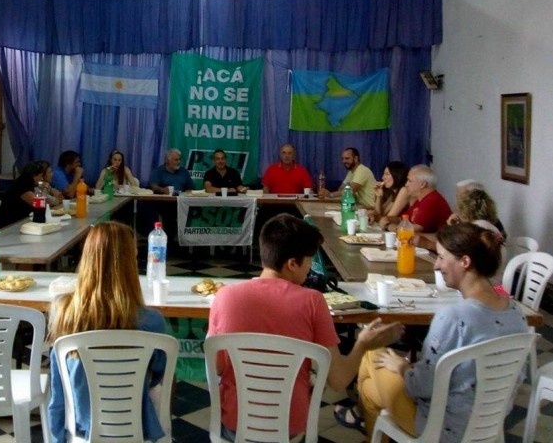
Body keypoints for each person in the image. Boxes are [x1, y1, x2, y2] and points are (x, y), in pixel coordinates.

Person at [208, 214, 403, 440]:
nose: (310, 269)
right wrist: (363, 344)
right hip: (289, 428)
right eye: (309, 261)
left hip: (234, 425)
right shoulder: (312, 302)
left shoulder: (225, 296)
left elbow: (217, 367)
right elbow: (338, 380)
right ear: (292, 264)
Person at [356, 223, 528, 441]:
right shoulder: (517, 313)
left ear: (465, 262)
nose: (436, 265)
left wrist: (403, 367)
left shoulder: (453, 317)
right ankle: (362, 410)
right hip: (489, 422)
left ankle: (361, 413)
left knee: (371, 353)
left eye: (441, 257)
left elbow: (420, 387)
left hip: (441, 427)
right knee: (370, 389)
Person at [47, 221, 168, 443]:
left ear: (87, 259)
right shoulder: (152, 322)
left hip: (82, 426)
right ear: (130, 264)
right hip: (135, 424)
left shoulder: (64, 313)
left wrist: (57, 438)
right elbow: (161, 372)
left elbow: (58, 388)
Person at [384, 165, 452, 249]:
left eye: (409, 181)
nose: (406, 184)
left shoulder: (432, 200)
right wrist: (387, 219)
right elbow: (403, 220)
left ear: (422, 184)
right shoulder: (421, 199)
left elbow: (408, 232)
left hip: (436, 252)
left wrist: (388, 225)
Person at [0, 160, 48, 227]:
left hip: (20, 220)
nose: (42, 179)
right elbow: (40, 204)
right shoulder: (22, 186)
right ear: (34, 176)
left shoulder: (26, 183)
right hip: (10, 224)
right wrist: (44, 189)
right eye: (40, 176)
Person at [369, 161, 410, 228]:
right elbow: (379, 213)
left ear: (397, 175)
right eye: (384, 174)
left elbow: (387, 218)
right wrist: (379, 197)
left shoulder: (404, 190)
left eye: (387, 174)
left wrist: (374, 215)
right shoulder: (393, 193)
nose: (383, 178)